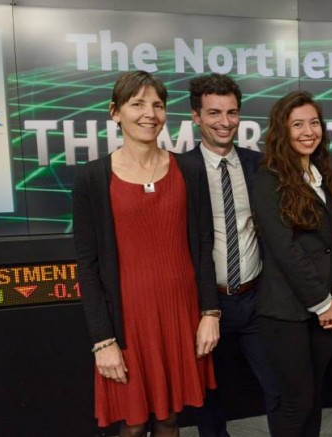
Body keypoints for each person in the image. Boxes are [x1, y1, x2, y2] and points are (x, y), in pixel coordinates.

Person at [73, 70, 219, 436]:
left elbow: (204, 247)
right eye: (137, 103)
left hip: (180, 316)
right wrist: (102, 340)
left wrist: (210, 312)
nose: (149, 113)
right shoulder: (92, 178)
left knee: (170, 419)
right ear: (115, 112)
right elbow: (88, 267)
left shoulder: (189, 169)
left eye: (157, 105)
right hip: (128, 323)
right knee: (134, 424)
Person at [186, 73, 281, 436]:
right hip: (205, 305)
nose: (224, 122)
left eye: (231, 112)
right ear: (196, 117)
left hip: (256, 300)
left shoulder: (260, 165)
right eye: (213, 113)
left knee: (277, 388)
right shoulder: (182, 169)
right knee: (209, 396)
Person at [251, 90, 332, 436]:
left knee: (313, 398)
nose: (308, 131)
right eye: (298, 124)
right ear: (282, 130)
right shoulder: (268, 178)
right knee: (297, 402)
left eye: (313, 123)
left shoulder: (324, 172)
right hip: (286, 312)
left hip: (325, 310)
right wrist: (322, 304)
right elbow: (284, 248)